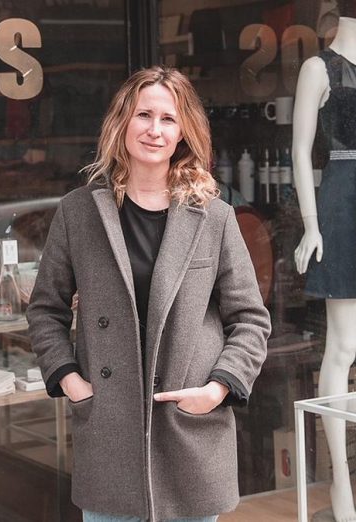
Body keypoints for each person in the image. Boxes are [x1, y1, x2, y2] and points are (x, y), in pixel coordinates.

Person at [26, 66, 270, 522]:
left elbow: (251, 320)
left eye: (168, 119)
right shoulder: (79, 212)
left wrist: (216, 389)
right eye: (143, 115)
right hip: (109, 434)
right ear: (121, 122)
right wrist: (71, 381)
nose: (154, 130)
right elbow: (45, 310)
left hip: (190, 431)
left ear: (183, 133)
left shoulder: (213, 217)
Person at [292, 5, 356, 520]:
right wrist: (312, 225)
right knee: (345, 346)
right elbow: (299, 151)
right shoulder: (320, 68)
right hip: (342, 203)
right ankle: (341, 483)